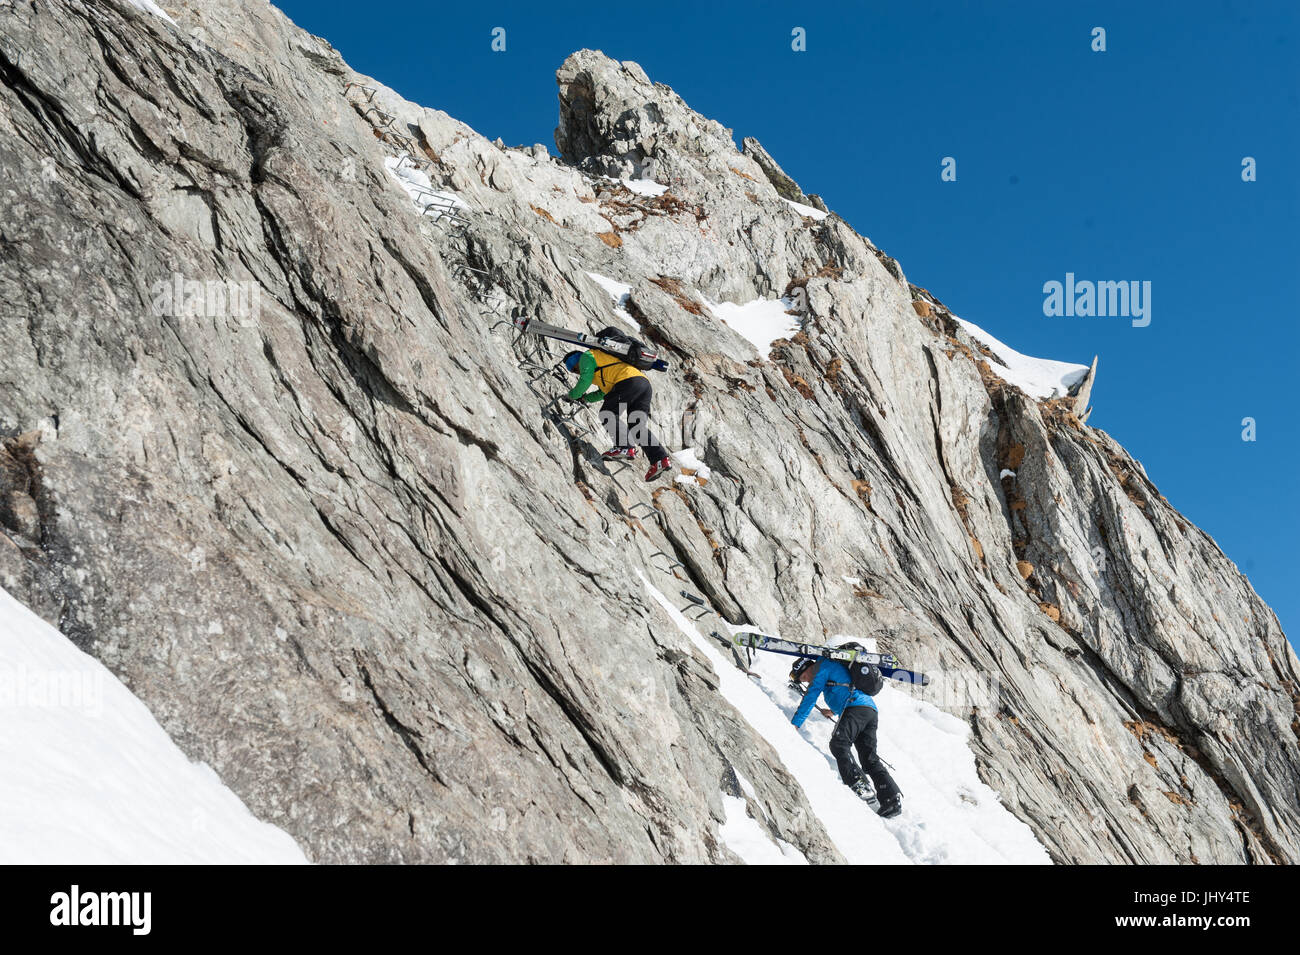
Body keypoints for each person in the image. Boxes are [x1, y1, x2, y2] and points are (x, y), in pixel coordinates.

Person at [790, 656, 902, 817]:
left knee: (839, 743)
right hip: (869, 710)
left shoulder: (821, 667)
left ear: (807, 668)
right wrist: (833, 712)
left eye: (804, 677)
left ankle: (859, 783)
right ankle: (892, 799)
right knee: (869, 758)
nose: (807, 681)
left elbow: (811, 695)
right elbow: (844, 687)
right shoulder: (830, 668)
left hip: (855, 708)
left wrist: (796, 723)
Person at [563, 348, 672, 482]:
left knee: (607, 413)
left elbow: (585, 380)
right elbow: (603, 393)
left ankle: (624, 447)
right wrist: (585, 399)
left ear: (576, 362)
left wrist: (572, 395)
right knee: (637, 426)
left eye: (574, 369)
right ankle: (660, 460)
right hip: (643, 385)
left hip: (628, 381)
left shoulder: (587, 356)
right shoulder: (602, 370)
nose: (576, 372)